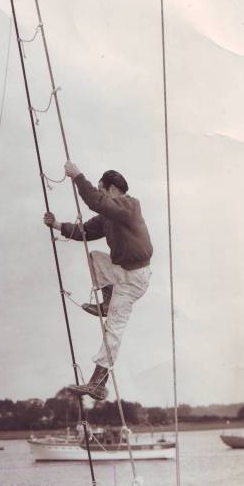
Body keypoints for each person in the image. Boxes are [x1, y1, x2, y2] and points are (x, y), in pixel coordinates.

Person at [43, 161, 152, 400]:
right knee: (95, 257)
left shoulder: (129, 206)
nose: (101, 195)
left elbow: (96, 202)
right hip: (121, 271)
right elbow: (85, 231)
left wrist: (78, 176)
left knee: (113, 328)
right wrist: (56, 225)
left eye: (102, 190)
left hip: (134, 280)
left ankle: (98, 383)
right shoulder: (109, 216)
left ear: (112, 189)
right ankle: (107, 302)